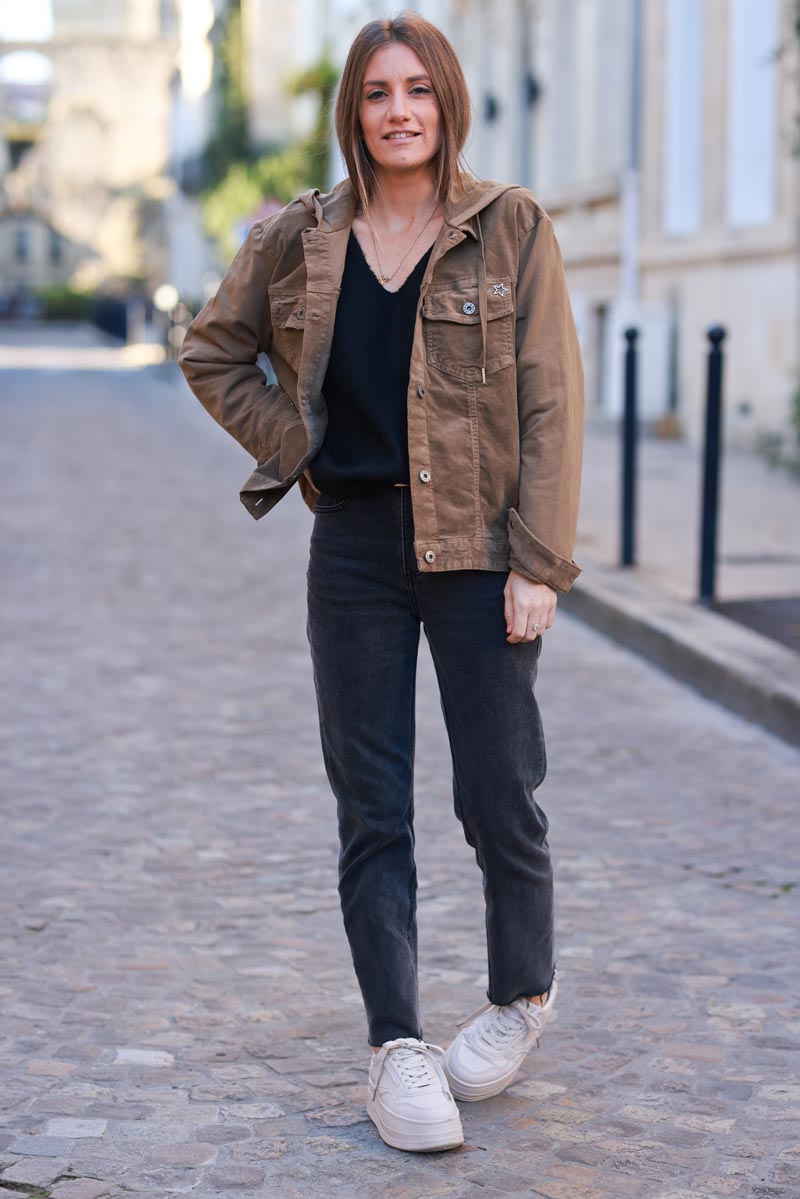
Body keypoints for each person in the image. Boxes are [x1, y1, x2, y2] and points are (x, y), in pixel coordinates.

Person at [179, 11, 584, 1155]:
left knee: (499, 792)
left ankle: (519, 996)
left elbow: (550, 404)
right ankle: (394, 1045)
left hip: (478, 551)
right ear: (352, 112)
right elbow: (212, 349)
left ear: (445, 102)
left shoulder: (510, 228)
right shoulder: (300, 237)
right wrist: (293, 442)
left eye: (416, 89)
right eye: (375, 93)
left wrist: (537, 562)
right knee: (372, 809)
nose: (397, 109)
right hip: (352, 549)